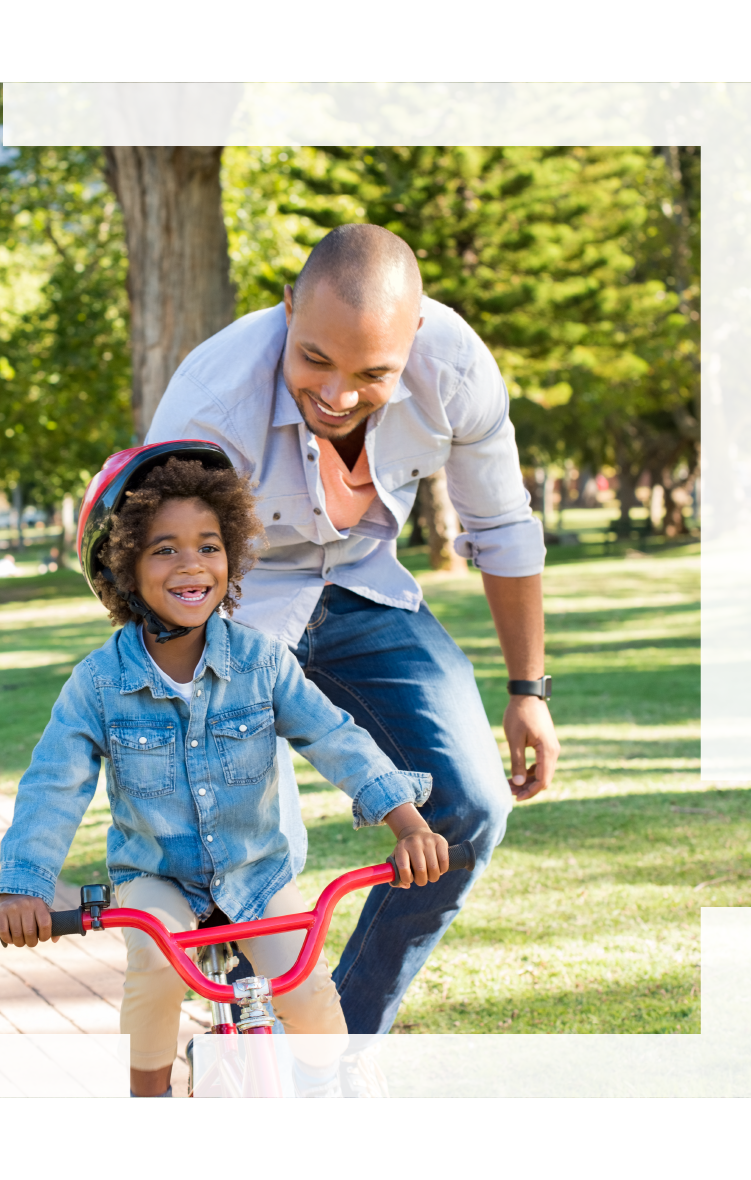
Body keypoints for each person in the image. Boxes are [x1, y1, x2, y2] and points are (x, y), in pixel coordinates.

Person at [144, 223, 563, 1037]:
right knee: (251, 843)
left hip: (366, 588)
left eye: (373, 374)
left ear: (414, 337)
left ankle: (340, 1043)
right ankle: (248, 1030)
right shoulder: (211, 403)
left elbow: (503, 526)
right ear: (288, 308)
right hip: (234, 606)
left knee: (470, 807)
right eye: (314, 361)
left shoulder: (457, 370)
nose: (337, 394)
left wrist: (528, 691)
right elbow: (162, 576)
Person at [0, 443, 451, 1097]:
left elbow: (333, 736)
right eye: (164, 549)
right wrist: (24, 887)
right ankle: (148, 1102)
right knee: (153, 965)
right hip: (158, 880)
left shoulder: (262, 662)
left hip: (256, 873)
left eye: (209, 545)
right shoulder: (98, 684)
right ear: (121, 569)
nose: (192, 565)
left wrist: (406, 823)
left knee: (311, 991)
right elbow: (53, 785)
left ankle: (322, 1097)